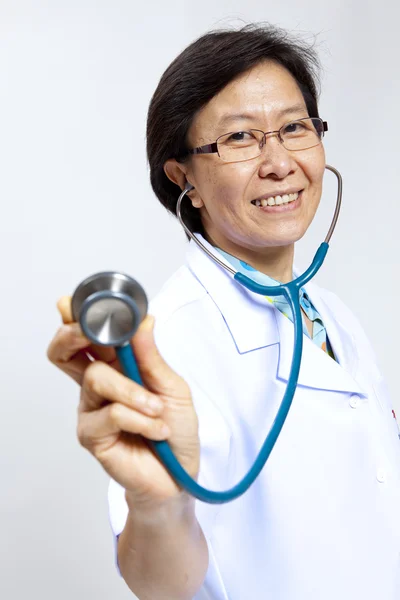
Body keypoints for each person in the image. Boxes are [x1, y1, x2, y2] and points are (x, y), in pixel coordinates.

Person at [47, 23, 400, 600]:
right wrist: (158, 507)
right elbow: (163, 583)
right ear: (184, 177)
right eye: (240, 138)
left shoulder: (332, 316)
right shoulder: (170, 342)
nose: (280, 162)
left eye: (294, 127)